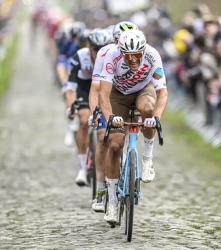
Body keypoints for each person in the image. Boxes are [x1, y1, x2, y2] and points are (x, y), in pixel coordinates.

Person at [98, 30, 168, 223]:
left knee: (148, 109)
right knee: (114, 145)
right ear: (121, 51)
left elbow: (162, 93)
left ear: (143, 51)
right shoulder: (111, 56)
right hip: (118, 95)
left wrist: (156, 117)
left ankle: (147, 158)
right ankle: (112, 202)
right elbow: (103, 94)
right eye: (128, 56)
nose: (133, 60)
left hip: (143, 91)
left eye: (137, 55)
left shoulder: (153, 55)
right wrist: (110, 117)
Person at [89, 21, 139, 212]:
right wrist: (95, 111)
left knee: (123, 138)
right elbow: (96, 89)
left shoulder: (141, 55)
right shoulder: (105, 53)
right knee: (103, 138)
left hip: (129, 98)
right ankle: (101, 191)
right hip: (108, 98)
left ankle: (128, 166)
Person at [65, 28, 112, 186]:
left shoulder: (112, 57)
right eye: (96, 49)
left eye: (102, 50)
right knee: (84, 120)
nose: (99, 53)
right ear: (89, 48)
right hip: (84, 89)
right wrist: (71, 106)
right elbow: (70, 87)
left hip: (103, 89)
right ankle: (82, 168)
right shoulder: (80, 57)